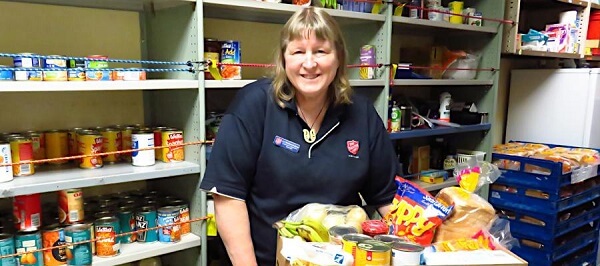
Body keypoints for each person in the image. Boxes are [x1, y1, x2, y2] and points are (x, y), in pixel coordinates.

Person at [200, 7, 399, 266]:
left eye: (320, 51)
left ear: (338, 58)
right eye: (298, 52)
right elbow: (228, 197)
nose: (309, 63)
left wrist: (422, 236)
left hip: (341, 259)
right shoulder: (254, 105)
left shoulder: (361, 114)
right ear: (284, 58)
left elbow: (386, 197)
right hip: (265, 260)